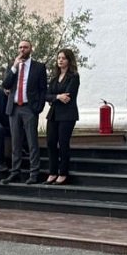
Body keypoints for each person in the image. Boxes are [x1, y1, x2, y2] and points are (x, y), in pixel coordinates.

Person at [1, 39, 48, 185]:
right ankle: (15, 172)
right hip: (14, 108)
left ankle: (34, 173)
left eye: (25, 47)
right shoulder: (12, 65)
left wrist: (38, 108)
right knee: (15, 142)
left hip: (29, 108)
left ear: (31, 49)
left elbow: (43, 89)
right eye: (20, 47)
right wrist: (14, 67)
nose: (22, 50)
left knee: (32, 142)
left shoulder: (39, 67)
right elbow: (6, 84)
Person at [44, 49, 81, 185]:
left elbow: (69, 96)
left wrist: (54, 97)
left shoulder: (74, 77)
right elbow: (46, 95)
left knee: (63, 143)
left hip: (67, 114)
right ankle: (52, 172)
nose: (60, 60)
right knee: (51, 142)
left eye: (63, 58)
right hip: (53, 114)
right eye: (59, 58)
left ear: (69, 60)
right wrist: (58, 96)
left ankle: (63, 173)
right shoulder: (54, 78)